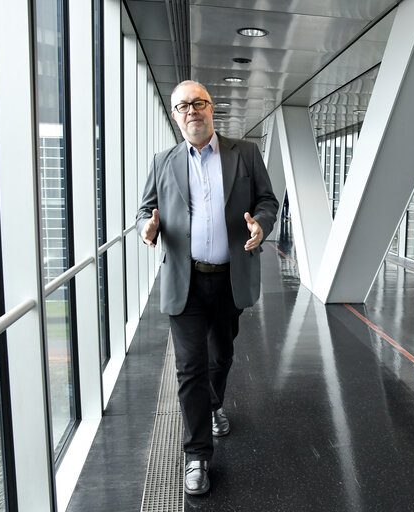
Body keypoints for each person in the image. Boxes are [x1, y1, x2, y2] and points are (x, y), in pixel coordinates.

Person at [136, 80, 279, 495]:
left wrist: (261, 226)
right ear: (175, 115)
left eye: (198, 103)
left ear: (211, 108)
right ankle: (197, 455)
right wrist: (147, 226)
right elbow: (147, 208)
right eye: (182, 106)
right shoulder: (163, 160)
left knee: (221, 356)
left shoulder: (245, 153)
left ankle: (214, 403)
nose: (191, 111)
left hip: (229, 278)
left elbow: (268, 201)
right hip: (186, 280)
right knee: (189, 368)